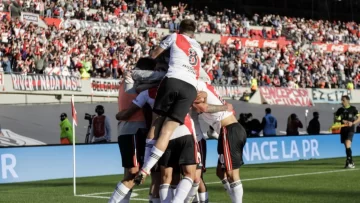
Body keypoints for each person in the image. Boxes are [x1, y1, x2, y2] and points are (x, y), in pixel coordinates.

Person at [135, 19, 204, 183]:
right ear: (193, 33)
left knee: (156, 122)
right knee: (167, 130)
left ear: (180, 29)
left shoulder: (175, 37)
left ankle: (145, 168)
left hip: (173, 79)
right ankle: (147, 167)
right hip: (191, 88)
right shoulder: (199, 47)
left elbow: (154, 55)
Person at [194, 81, 246, 203]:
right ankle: (233, 197)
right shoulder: (207, 89)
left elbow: (202, 107)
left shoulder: (199, 88)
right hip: (228, 130)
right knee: (220, 172)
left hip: (230, 129)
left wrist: (225, 107)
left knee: (231, 174)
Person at [335, 95, 360, 169]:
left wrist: (353, 123)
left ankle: (350, 161)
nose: (342, 102)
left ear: (348, 101)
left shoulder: (353, 109)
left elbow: (359, 118)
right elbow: (335, 119)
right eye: (342, 100)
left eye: (343, 100)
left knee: (347, 144)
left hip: (350, 129)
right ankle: (349, 161)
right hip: (343, 130)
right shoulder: (340, 110)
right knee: (346, 146)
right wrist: (342, 120)